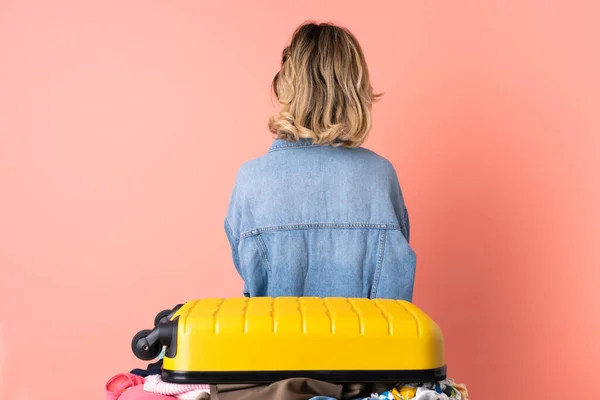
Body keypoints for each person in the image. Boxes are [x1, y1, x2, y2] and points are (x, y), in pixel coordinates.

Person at [225, 22, 416, 301]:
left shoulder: (251, 180)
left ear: (286, 86)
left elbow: (249, 274)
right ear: (356, 88)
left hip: (276, 345)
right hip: (371, 346)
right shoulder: (380, 177)